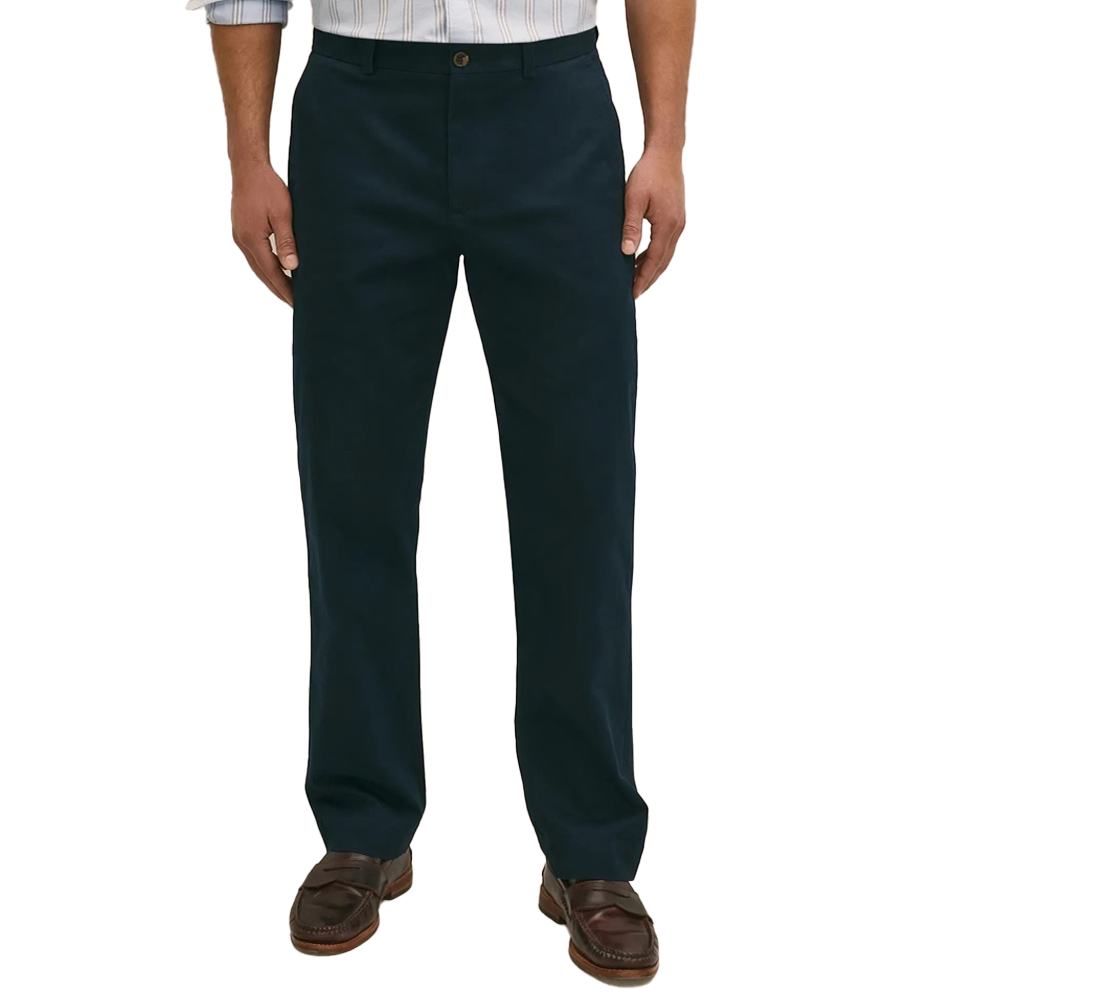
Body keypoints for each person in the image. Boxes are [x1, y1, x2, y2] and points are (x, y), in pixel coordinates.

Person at [190, 0, 694, 981]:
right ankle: (362, 829)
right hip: (358, 115)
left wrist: (665, 141)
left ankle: (590, 848)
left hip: (552, 108)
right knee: (353, 490)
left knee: (580, 498)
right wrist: (247, 158)